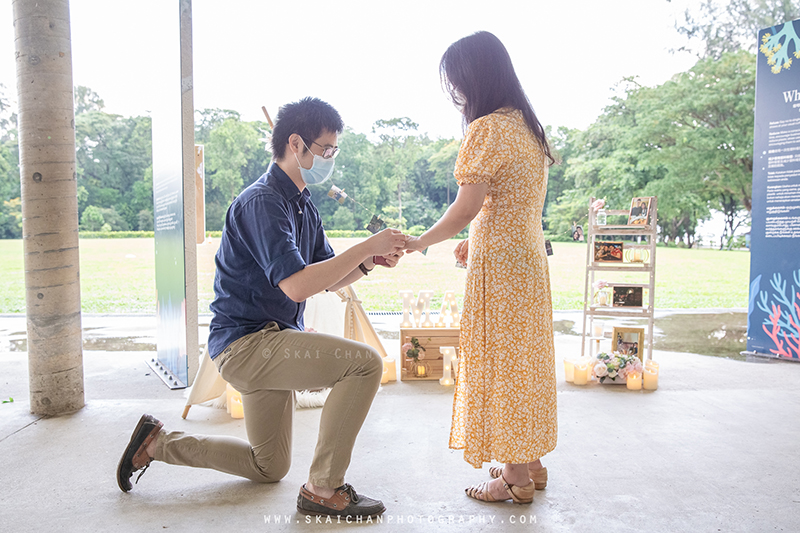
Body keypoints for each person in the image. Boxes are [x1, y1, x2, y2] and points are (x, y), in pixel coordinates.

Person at [117, 97, 406, 519]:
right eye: (325, 149)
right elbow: (296, 286)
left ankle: (156, 444)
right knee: (364, 365)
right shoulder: (263, 202)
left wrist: (369, 262)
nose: (329, 159)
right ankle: (323, 490)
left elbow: (325, 276)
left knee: (268, 466)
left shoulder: (302, 204)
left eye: (333, 151)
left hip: (270, 341)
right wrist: (367, 244)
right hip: (247, 345)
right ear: (296, 143)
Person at [405, 31, 558, 504]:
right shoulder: (529, 129)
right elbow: (513, 204)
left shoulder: (487, 129)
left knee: (499, 362)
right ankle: (529, 459)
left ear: (475, 77)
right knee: (524, 361)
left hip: (501, 273)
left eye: (457, 82)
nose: (457, 94)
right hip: (529, 264)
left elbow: (466, 208)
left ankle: (514, 475)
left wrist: (419, 241)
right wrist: (477, 243)